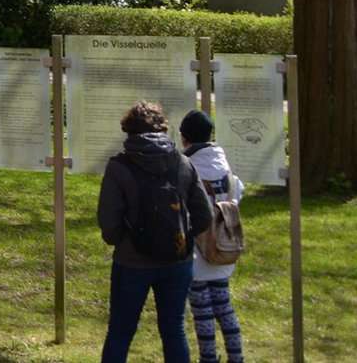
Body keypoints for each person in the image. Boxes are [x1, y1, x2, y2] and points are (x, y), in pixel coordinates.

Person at [97, 99, 213, 363]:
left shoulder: (119, 167)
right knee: (173, 330)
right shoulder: (183, 163)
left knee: (120, 332)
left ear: (129, 130)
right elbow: (204, 216)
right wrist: (184, 236)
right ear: (163, 129)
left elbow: (109, 222)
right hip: (177, 259)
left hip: (132, 262)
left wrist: (123, 240)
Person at [181, 109, 246, 363]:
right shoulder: (223, 166)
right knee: (225, 307)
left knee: (202, 311)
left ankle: (208, 358)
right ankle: (236, 356)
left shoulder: (189, 168)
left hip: (197, 252)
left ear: (185, 138)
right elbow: (237, 193)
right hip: (224, 247)